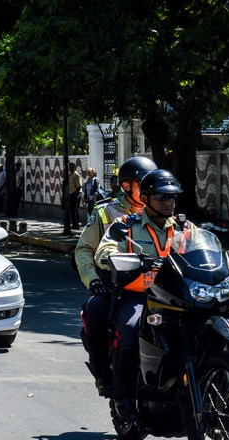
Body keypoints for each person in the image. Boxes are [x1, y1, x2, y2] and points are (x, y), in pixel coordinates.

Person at [94, 168, 190, 423]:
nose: (168, 203)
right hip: (140, 296)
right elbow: (103, 253)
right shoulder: (126, 225)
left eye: (172, 198)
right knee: (129, 327)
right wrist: (123, 259)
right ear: (146, 198)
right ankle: (122, 398)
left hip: (178, 298)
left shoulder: (185, 228)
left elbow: (205, 250)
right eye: (161, 197)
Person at [74, 156, 157, 398]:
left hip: (159, 287)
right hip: (116, 286)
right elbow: (84, 250)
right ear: (126, 186)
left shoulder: (161, 212)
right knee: (95, 311)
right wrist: (94, 281)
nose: (150, 192)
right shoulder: (106, 212)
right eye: (143, 185)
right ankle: (105, 376)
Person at [68, 163, 83, 229]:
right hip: (71, 194)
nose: (70, 168)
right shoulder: (70, 175)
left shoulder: (76, 175)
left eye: (72, 167)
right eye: (70, 167)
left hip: (76, 194)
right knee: (72, 210)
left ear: (74, 167)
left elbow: (79, 186)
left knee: (75, 210)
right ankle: (74, 223)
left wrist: (76, 194)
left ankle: (76, 224)